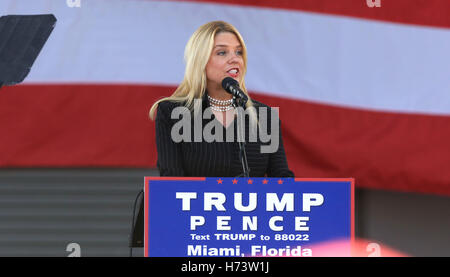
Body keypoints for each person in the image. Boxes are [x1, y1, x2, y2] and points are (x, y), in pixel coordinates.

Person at [149, 21, 294, 178]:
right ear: (201, 61)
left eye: (239, 52)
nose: (235, 59)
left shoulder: (264, 117)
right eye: (222, 52)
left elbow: (282, 182)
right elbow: (171, 181)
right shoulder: (172, 113)